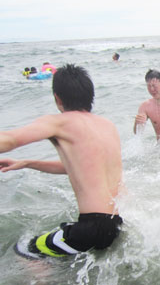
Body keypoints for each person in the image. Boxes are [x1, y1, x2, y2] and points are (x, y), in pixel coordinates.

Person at [0, 64, 123, 258]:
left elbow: (9, 140)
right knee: (60, 246)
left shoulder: (59, 122)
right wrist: (26, 162)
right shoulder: (108, 126)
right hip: (116, 224)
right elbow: (80, 168)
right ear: (90, 95)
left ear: (57, 98)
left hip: (91, 227)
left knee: (26, 250)